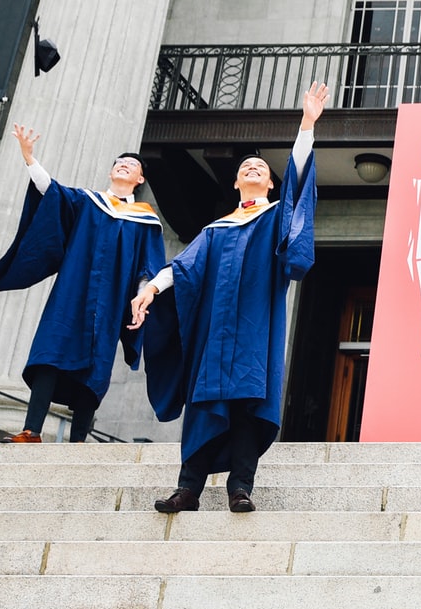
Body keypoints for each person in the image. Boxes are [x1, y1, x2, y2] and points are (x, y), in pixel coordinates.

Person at [129, 82, 326, 513]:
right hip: (215, 338)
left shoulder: (277, 217)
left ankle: (240, 487)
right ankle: (188, 490)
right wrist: (150, 289)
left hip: (255, 331)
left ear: (270, 185)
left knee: (245, 408)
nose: (253, 169)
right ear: (236, 182)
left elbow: (298, 185)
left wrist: (306, 126)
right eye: (247, 168)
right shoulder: (216, 229)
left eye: (261, 168)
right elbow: (184, 268)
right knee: (205, 406)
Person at [0, 127, 166, 443]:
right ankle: (31, 430)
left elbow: (149, 266)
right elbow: (51, 191)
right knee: (50, 351)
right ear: (110, 171)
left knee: (96, 366)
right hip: (72, 294)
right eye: (119, 162)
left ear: (140, 179)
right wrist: (29, 157)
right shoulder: (86, 201)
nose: (124, 165)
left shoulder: (145, 220)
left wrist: (142, 298)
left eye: (131, 165)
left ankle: (78, 441)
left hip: (111, 302)